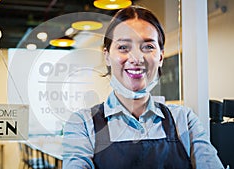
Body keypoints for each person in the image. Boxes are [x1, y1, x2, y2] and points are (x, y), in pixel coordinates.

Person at [62, 6, 224, 169]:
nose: (136, 58)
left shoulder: (183, 120)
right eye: (123, 47)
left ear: (160, 57)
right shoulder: (83, 124)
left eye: (148, 47)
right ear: (107, 56)